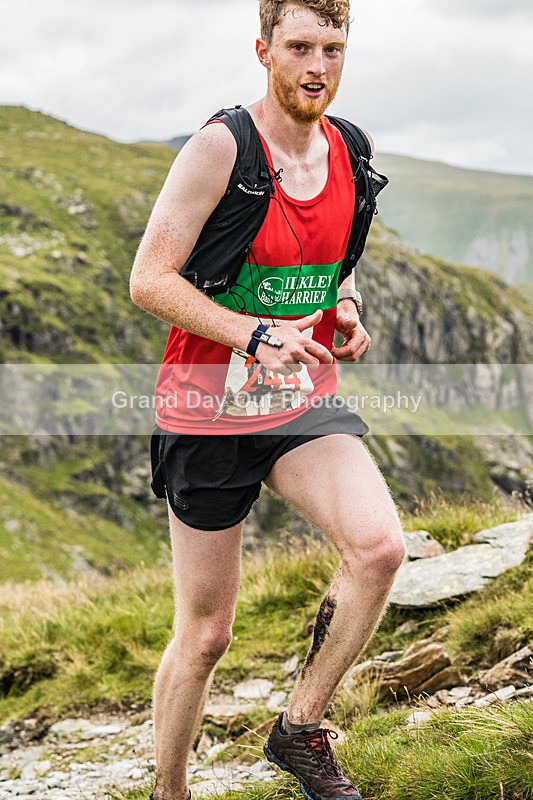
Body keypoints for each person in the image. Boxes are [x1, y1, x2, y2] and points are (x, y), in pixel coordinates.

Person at [129, 2, 406, 799]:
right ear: (263, 50)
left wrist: (345, 309)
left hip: (297, 402)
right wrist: (250, 334)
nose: (316, 65)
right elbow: (149, 280)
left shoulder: (352, 146)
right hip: (205, 410)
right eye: (298, 48)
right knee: (207, 634)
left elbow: (338, 262)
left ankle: (299, 730)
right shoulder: (222, 147)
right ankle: (169, 790)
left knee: (379, 549)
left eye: (331, 47)